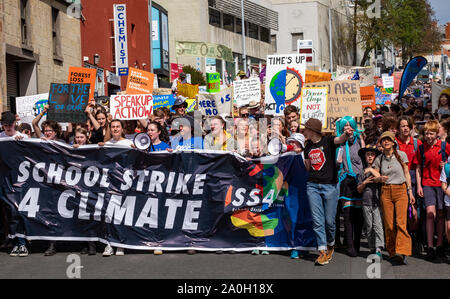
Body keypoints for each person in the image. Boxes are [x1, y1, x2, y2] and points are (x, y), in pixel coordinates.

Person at [302, 118, 352, 265]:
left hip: (330, 186)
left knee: (329, 221)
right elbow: (308, 168)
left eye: (306, 129)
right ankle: (322, 250)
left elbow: (339, 139)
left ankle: (330, 243)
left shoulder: (328, 140)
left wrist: (346, 134)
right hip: (312, 186)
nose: (304, 131)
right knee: (317, 221)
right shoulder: (307, 147)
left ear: (312, 130)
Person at [373, 131, 414, 265]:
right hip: (386, 190)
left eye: (388, 139)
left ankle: (402, 252)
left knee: (401, 223)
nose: (386, 142)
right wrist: (378, 178)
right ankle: (392, 252)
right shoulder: (379, 158)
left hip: (401, 190)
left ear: (393, 142)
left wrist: (410, 191)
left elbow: (407, 173)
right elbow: (375, 174)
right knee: (389, 224)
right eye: (383, 140)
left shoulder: (401, 155)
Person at [415, 120, 449, 262]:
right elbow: (417, 168)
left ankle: (439, 245)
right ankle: (430, 246)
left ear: (437, 134)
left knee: (441, 214)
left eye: (431, 133)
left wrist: (446, 163)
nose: (428, 136)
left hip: (442, 184)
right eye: (426, 133)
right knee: (430, 214)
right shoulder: (421, 148)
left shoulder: (445, 146)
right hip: (427, 183)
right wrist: (418, 186)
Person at [0, 112, 29, 257]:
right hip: (4, 181)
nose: (7, 127)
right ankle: (15, 242)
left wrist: (23, 144)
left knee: (20, 211)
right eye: (4, 125)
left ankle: (22, 243)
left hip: (20, 182)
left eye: (9, 124)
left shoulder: (23, 137)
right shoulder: (1, 137)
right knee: (11, 212)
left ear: (14, 123)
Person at [336, 116, 365, 257]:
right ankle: (350, 245)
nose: (348, 128)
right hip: (345, 179)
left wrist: (360, 137)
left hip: (359, 179)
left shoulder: (359, 139)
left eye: (350, 125)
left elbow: (365, 156)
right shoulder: (339, 143)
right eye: (345, 126)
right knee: (347, 214)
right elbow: (336, 162)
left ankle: (357, 242)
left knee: (358, 214)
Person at [396, 116, 424, 255]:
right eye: (402, 126)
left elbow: (419, 165)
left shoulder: (417, 143)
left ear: (412, 127)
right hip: (398, 179)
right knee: (401, 213)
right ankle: (402, 240)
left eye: (407, 125)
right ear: (398, 128)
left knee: (414, 212)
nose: (405, 128)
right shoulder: (394, 143)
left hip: (413, 179)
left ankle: (415, 237)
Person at [357, 145, 384, 259]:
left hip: (377, 201)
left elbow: (381, 177)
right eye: (368, 154)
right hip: (366, 201)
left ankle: (379, 249)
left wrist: (371, 169)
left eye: (372, 155)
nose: (370, 156)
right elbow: (358, 189)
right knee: (369, 226)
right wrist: (365, 182)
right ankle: (372, 247)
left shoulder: (378, 168)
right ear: (365, 156)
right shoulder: (361, 170)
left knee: (377, 225)